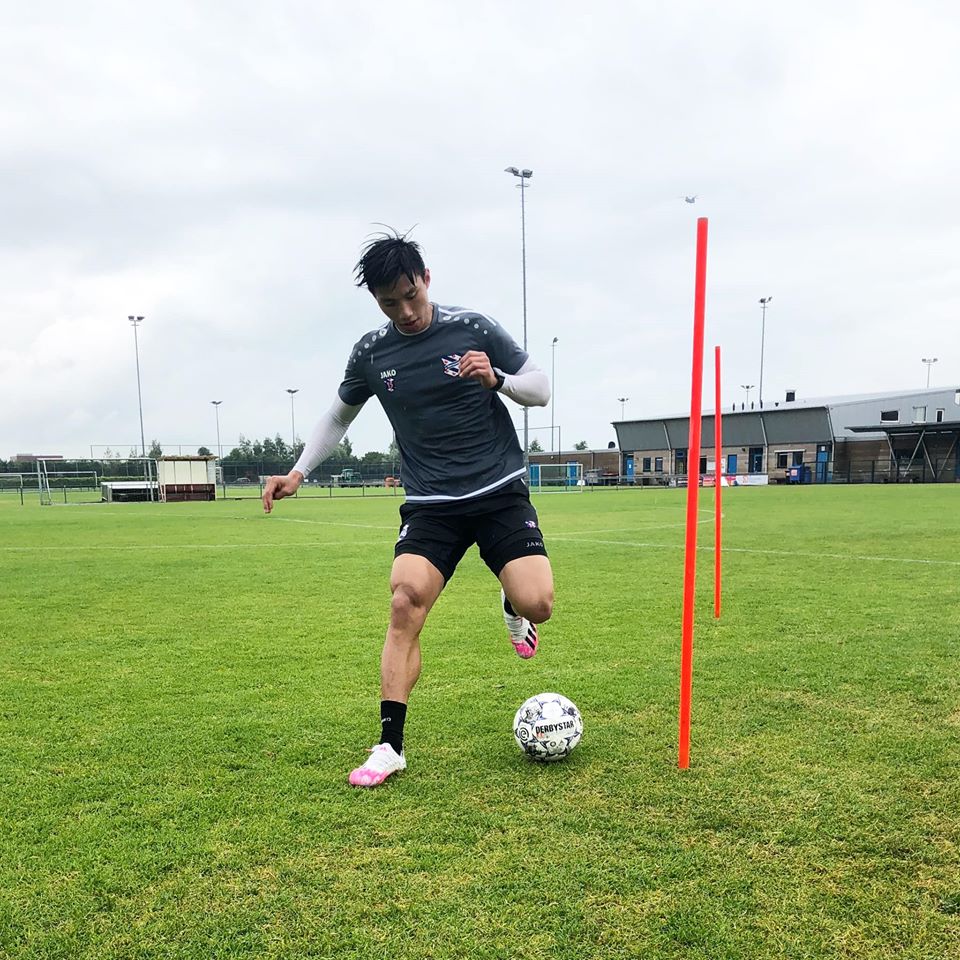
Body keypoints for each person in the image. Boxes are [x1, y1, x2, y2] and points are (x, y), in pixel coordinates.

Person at [262, 231, 554, 787]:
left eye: (410, 295)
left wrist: (497, 379)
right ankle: (389, 745)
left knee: (539, 604)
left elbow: (540, 388)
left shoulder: (473, 328)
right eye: (389, 303)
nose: (405, 311)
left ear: (426, 279)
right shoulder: (373, 352)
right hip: (430, 505)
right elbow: (338, 418)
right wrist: (298, 472)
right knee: (404, 603)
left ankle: (513, 602)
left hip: (498, 493)